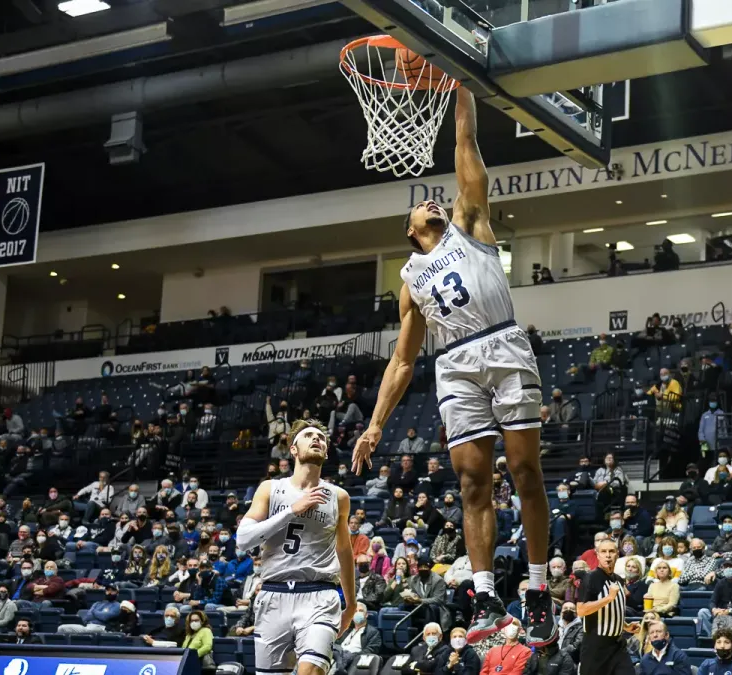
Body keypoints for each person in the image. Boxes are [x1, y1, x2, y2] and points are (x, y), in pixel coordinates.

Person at [352, 86, 553, 647]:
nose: (433, 203)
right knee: (471, 482)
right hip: (456, 365)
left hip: (504, 344)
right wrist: (373, 425)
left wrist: (461, 89)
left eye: (434, 201)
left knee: (524, 470)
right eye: (422, 206)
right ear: (410, 229)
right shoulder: (410, 280)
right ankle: (487, 594)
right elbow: (402, 358)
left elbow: (465, 143)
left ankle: (537, 589)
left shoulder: (470, 221)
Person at [235, 420, 355, 675]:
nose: (317, 439)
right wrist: (292, 510)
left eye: (321, 437)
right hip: (273, 595)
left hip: (319, 595)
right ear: (293, 449)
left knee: (311, 671)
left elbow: (344, 552)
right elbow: (243, 539)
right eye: (309, 435)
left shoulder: (339, 497)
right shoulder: (271, 489)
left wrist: (352, 603)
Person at [577, 538, 634, 675]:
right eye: (603, 551)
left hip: (617, 645)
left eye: (611, 551)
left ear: (617, 555)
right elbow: (581, 610)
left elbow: (612, 610)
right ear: (598, 555)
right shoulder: (590, 578)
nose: (608, 555)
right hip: (596, 646)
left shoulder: (619, 580)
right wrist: (607, 598)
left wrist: (625, 626)